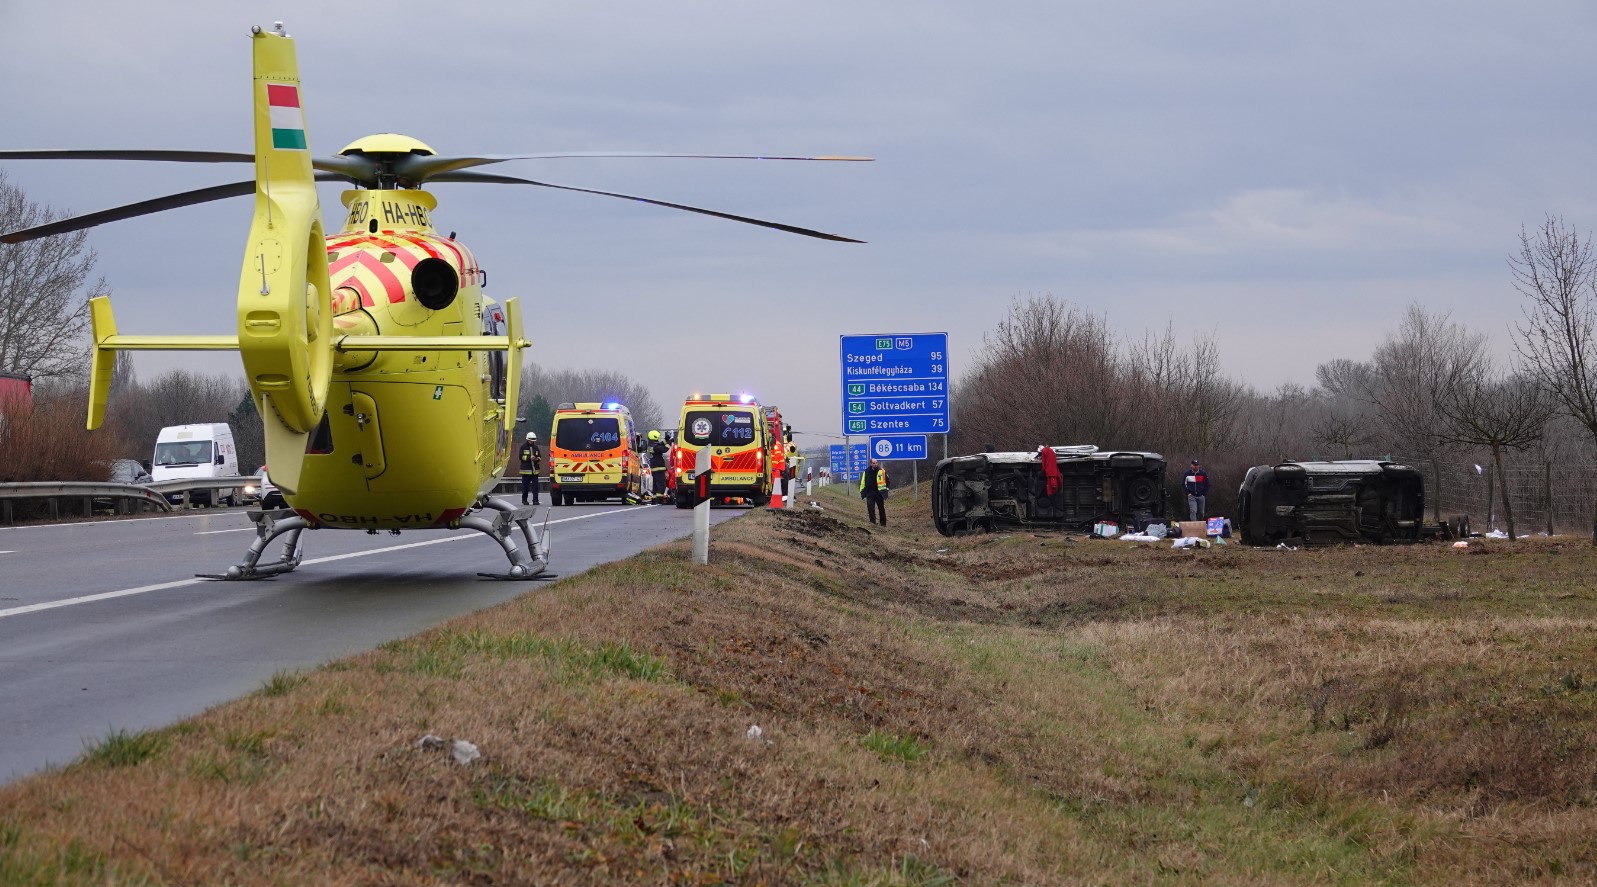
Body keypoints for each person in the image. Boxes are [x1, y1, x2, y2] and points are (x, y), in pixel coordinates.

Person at [859, 457, 889, 526]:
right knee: (870, 507)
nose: (875, 464)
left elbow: (887, 481)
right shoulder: (866, 471)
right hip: (870, 492)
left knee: (881, 508)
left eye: (876, 463)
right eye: (873, 463)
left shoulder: (881, 471)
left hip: (879, 493)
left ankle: (883, 523)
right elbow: (863, 481)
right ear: (871, 464)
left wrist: (886, 489)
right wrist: (862, 491)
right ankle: (872, 522)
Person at [518, 431, 542, 505]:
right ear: (528, 439)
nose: (532, 442)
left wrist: (536, 459)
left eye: (533, 440)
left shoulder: (536, 447)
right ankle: (524, 500)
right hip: (526, 471)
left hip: (535, 471)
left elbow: (540, 457)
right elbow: (520, 457)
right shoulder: (523, 447)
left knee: (535, 487)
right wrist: (529, 458)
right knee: (525, 487)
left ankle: (535, 500)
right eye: (531, 440)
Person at [648, 430, 670, 502]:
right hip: (659, 469)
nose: (658, 439)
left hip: (655, 469)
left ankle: (654, 499)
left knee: (655, 486)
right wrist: (669, 443)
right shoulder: (655, 447)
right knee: (661, 485)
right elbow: (664, 449)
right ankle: (659, 500)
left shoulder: (651, 446)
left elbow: (659, 445)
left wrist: (665, 440)